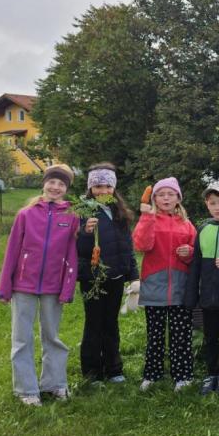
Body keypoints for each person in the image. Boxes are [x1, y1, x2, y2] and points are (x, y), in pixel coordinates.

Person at [0, 164, 80, 406]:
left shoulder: (71, 217)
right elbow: (12, 251)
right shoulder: (26, 214)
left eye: (61, 184)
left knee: (52, 336)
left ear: (66, 189)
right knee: (21, 338)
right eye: (52, 182)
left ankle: (55, 384)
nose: (55, 187)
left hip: (54, 288)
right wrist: (4, 287)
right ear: (44, 183)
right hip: (23, 285)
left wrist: (67, 288)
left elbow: (72, 256)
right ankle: (26, 389)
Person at [132, 177, 197, 392]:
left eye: (170, 194)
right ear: (154, 199)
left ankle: (183, 375)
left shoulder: (187, 225)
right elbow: (141, 244)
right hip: (154, 285)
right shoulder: (149, 219)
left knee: (181, 335)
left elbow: (195, 253)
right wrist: (146, 217)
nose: (166, 197)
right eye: (161, 194)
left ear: (178, 198)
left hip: (180, 286)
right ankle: (152, 374)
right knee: (155, 335)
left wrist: (189, 253)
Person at [76, 163, 139, 383]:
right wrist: (85, 233)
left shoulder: (119, 212)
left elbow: (126, 247)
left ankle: (114, 368)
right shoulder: (83, 211)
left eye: (108, 186)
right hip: (92, 277)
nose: (103, 191)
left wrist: (133, 275)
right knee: (94, 323)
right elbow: (78, 250)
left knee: (111, 323)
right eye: (98, 186)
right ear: (90, 188)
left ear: (114, 187)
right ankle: (92, 371)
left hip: (116, 277)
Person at [185, 180, 219, 395]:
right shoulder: (204, 230)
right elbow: (195, 265)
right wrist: (192, 297)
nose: (217, 207)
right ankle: (211, 373)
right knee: (210, 336)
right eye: (212, 203)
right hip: (207, 296)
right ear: (207, 205)